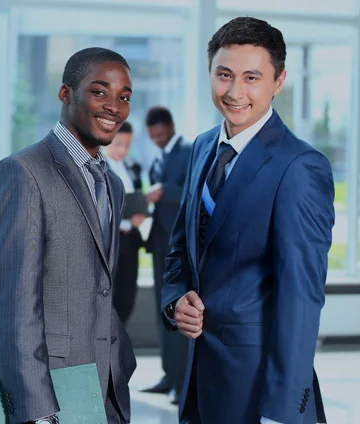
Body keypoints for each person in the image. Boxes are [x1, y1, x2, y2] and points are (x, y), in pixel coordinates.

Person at [161, 17, 334, 424]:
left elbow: (301, 300)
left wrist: (283, 413)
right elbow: (180, 249)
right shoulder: (203, 147)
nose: (235, 92)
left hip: (260, 395)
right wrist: (176, 300)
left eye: (251, 77)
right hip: (200, 385)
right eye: (224, 75)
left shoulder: (300, 166)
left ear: (279, 81)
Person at [0, 47, 137, 424]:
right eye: (100, 91)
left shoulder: (113, 184)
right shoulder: (21, 172)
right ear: (66, 94)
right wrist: (37, 411)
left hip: (108, 386)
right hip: (50, 394)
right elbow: (13, 306)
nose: (114, 106)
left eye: (125, 97)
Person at [141, 106, 191, 405]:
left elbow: (190, 190)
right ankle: (169, 375)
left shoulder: (188, 151)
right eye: (152, 136)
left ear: (171, 127)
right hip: (159, 245)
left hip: (178, 246)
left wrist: (164, 190)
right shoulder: (158, 158)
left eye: (161, 134)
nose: (158, 140)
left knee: (178, 313)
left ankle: (183, 381)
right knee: (163, 313)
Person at [104, 121, 146, 324]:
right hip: (109, 243)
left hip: (130, 241)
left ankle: (118, 350)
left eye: (127, 145)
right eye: (118, 144)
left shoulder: (132, 167)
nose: (123, 150)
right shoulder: (97, 168)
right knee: (108, 299)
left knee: (127, 298)